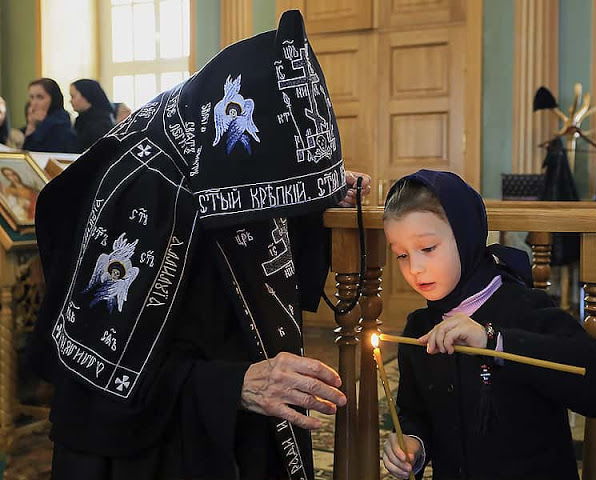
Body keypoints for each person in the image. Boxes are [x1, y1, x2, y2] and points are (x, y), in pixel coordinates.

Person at [31, 10, 371, 480]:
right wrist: (237, 385)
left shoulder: (216, 162)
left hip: (241, 422)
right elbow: (108, 388)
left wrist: (315, 189)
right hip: (152, 452)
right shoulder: (143, 192)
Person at [380, 170, 596, 480]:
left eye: (427, 248)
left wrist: (494, 341)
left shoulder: (523, 307)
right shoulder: (419, 328)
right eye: (401, 254)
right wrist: (413, 443)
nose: (414, 268)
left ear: (466, 235)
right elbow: (416, 413)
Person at [23, 78, 79, 153]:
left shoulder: (61, 123)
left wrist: (41, 125)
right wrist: (31, 125)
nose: (34, 103)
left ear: (53, 98)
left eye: (40, 97)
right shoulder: (36, 121)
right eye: (32, 97)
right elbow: (26, 153)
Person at [70, 79, 116, 151]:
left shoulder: (101, 123)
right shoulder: (82, 120)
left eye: (73, 96)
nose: (70, 101)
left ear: (86, 95)